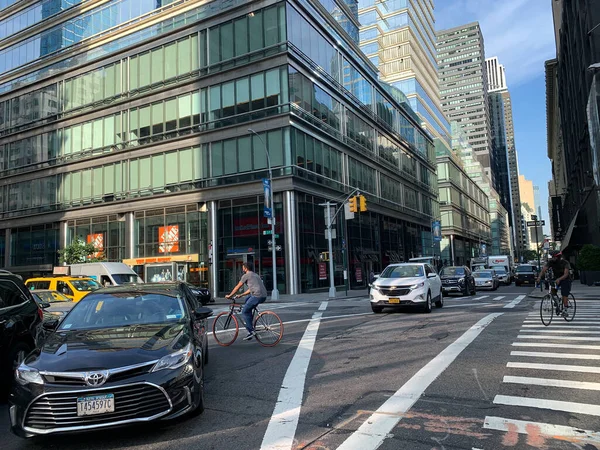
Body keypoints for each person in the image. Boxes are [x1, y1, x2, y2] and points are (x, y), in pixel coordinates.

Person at [225, 262, 268, 340]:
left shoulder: (246, 276)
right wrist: (241, 295)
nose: (242, 268)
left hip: (257, 296)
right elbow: (251, 289)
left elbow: (237, 287)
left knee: (245, 311)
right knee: (247, 299)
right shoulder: (255, 275)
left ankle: (251, 331)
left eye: (243, 267)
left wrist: (229, 295)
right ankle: (249, 324)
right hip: (263, 295)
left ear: (246, 268)